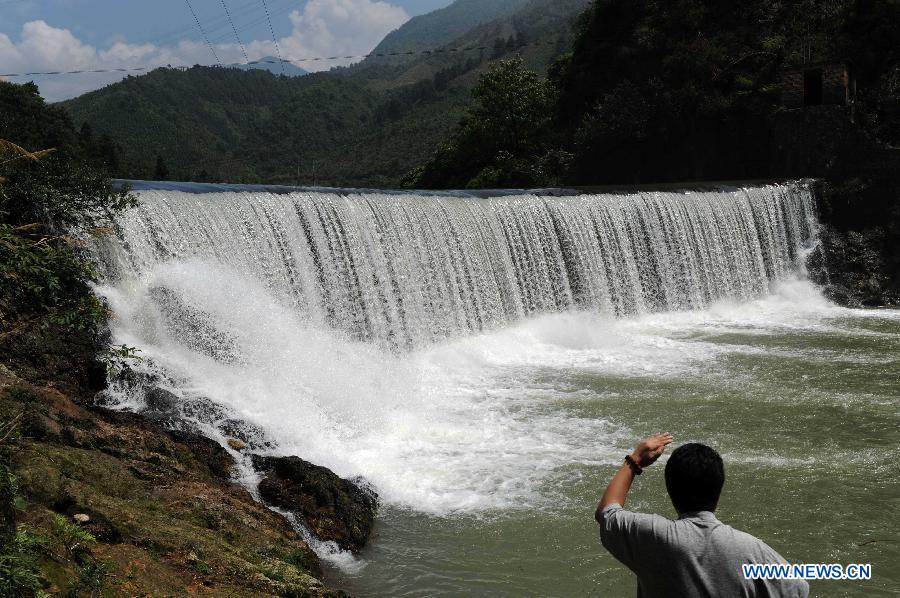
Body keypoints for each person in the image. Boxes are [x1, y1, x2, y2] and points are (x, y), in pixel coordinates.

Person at [596, 433, 809, 598]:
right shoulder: (752, 551)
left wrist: (635, 461)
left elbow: (607, 512)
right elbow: (798, 589)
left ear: (670, 490)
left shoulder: (652, 537)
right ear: (718, 491)